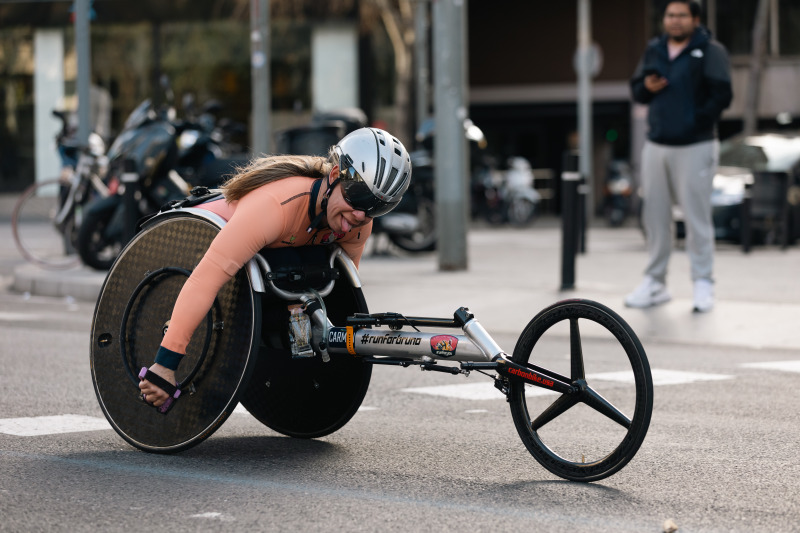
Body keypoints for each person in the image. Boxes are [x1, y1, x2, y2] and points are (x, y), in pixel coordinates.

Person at [139, 127, 412, 409]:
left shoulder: (359, 223)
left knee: (310, 266)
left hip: (267, 281)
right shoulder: (274, 206)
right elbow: (204, 280)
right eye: (358, 198)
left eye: (375, 209)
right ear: (334, 177)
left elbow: (340, 296)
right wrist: (164, 365)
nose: (359, 216)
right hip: (203, 255)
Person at [626, 0, 732, 313]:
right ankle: (655, 283)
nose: (674, 21)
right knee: (655, 216)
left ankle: (703, 283)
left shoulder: (710, 50)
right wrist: (645, 86)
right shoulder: (655, 49)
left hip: (696, 145)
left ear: (695, 19)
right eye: (670, 15)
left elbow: (722, 94)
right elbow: (637, 90)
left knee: (696, 217)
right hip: (657, 144)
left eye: (681, 15)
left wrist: (694, 120)